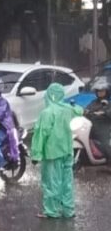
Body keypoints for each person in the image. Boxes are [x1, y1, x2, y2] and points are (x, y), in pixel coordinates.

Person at [31, 84, 82, 219]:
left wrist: (36, 154)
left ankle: (52, 211)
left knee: (51, 182)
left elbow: (41, 134)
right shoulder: (67, 109)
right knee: (67, 182)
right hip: (67, 150)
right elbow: (79, 111)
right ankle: (68, 210)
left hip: (52, 153)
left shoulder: (47, 113)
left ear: (49, 95)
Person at [85, 77, 111, 161]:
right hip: (92, 127)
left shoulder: (108, 102)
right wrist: (84, 111)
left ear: (106, 92)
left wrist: (104, 112)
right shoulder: (94, 102)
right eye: (98, 91)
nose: (100, 93)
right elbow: (87, 109)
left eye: (102, 91)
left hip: (104, 128)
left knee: (105, 144)